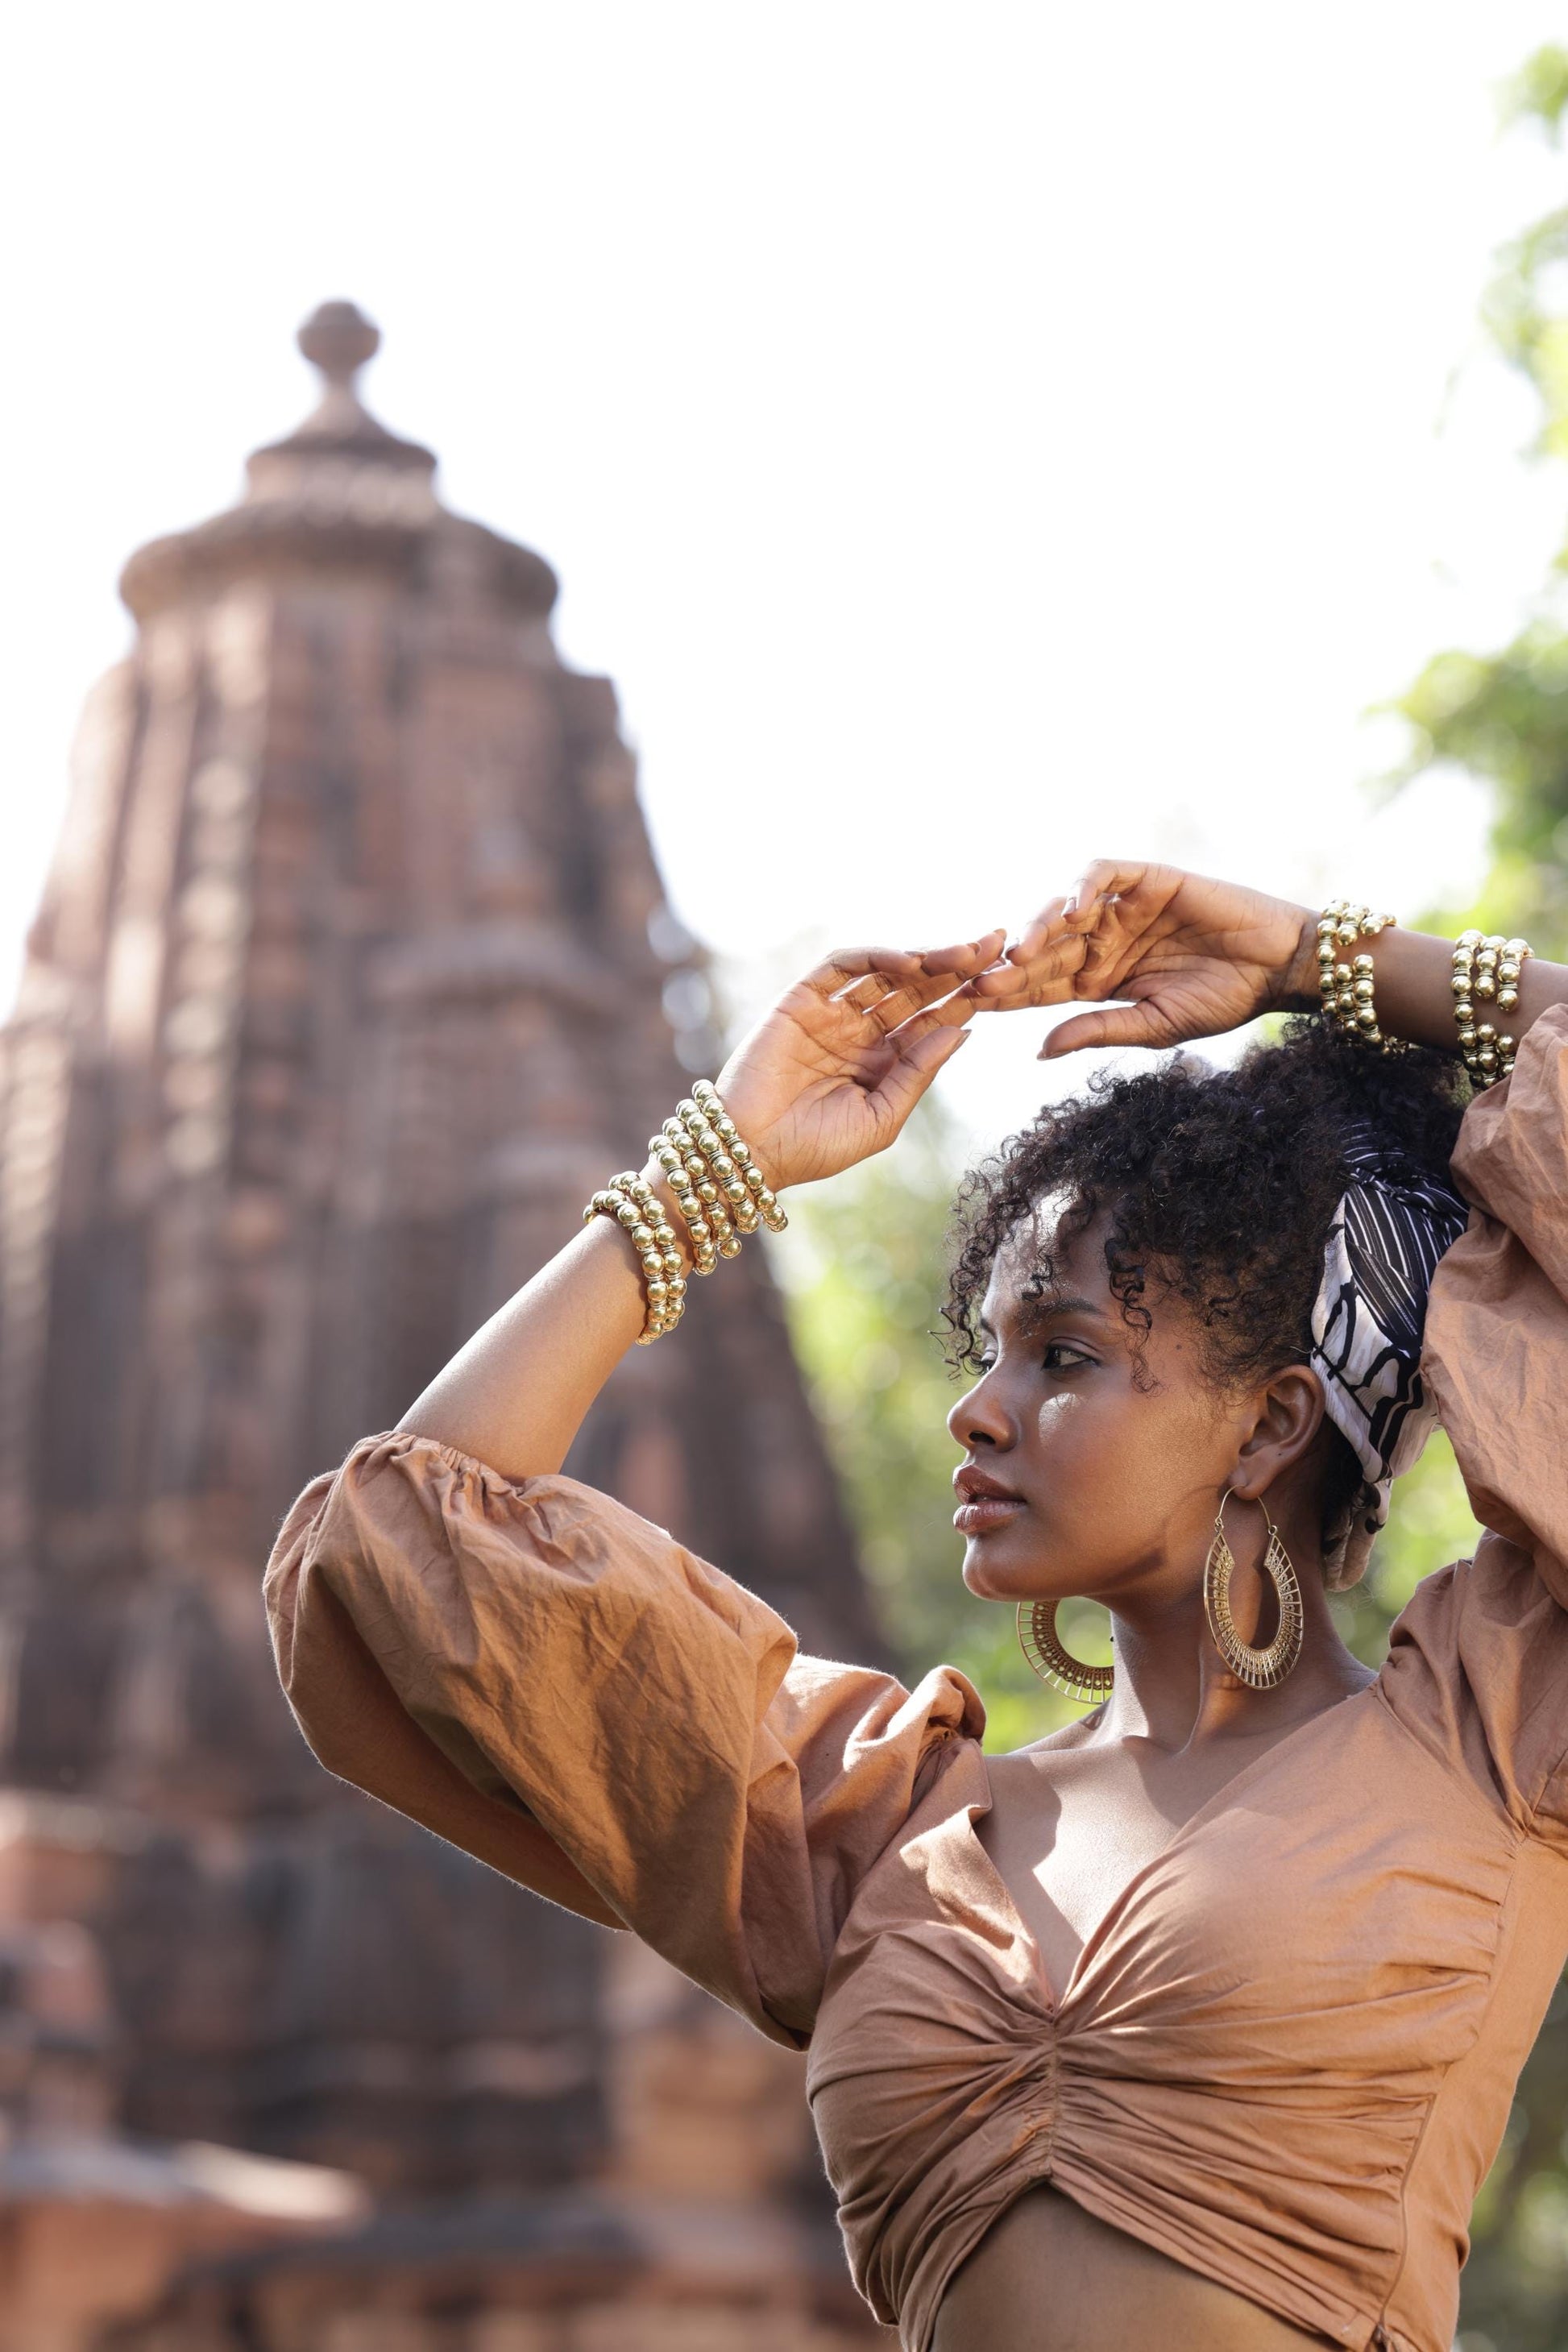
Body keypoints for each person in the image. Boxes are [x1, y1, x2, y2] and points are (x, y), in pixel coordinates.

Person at [265, 863, 1568, 2352]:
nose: (976, 1412)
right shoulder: (881, 1831)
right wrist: (722, 1159)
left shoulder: (1493, 1727)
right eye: (990, 1351)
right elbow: (394, 1551)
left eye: (1061, 1359)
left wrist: (1311, 956)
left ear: (1270, 1426)